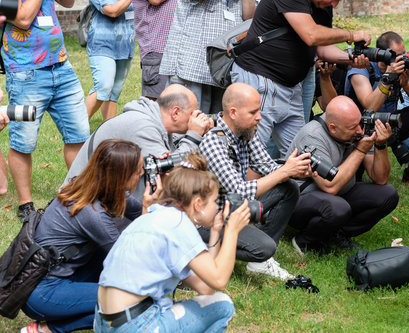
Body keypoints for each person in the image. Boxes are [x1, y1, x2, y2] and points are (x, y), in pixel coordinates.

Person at [94, 152, 251, 333]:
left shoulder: (158, 215)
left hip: (105, 323)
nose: (218, 206)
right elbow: (219, 280)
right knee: (222, 305)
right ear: (197, 204)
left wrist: (216, 231)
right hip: (135, 325)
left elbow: (205, 286)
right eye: (215, 201)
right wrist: (232, 231)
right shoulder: (179, 225)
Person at [0, 0, 90, 219]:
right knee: (23, 141)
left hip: (62, 67)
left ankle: (78, 194)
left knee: (78, 134)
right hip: (26, 73)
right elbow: (23, 18)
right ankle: (26, 206)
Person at [21, 139, 159, 333]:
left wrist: (161, 191)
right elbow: (130, 259)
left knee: (113, 266)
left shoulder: (97, 187)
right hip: (42, 293)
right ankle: (51, 328)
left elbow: (142, 215)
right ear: (120, 176)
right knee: (137, 300)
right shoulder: (92, 213)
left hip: (64, 274)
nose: (143, 173)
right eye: (138, 171)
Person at [230, 0, 370, 155]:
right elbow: (311, 35)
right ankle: (243, 185)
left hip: (291, 88)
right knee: (252, 153)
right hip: (261, 80)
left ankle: (290, 184)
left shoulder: (322, 5)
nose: (335, 5)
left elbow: (320, 48)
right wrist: (351, 35)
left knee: (301, 154)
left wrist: (350, 58)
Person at [199, 83, 312, 279]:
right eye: (253, 112)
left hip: (230, 207)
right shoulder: (213, 141)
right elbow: (240, 191)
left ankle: (259, 259)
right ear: (233, 112)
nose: (259, 117)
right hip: (206, 221)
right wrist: (284, 171)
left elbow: (267, 166)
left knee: (288, 187)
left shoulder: (245, 131)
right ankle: (202, 250)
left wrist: (296, 170)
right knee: (264, 248)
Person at [287, 96, 398, 254]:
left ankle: (336, 235)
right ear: (333, 128)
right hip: (300, 199)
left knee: (387, 194)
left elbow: (380, 178)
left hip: (339, 193)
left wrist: (380, 144)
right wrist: (360, 151)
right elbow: (330, 186)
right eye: (353, 127)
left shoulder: (354, 129)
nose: (360, 131)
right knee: (338, 207)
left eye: (360, 123)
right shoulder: (312, 136)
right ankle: (305, 241)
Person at [64, 84, 213, 200]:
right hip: (82, 205)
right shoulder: (143, 126)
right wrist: (193, 135)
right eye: (193, 113)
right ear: (175, 112)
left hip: (100, 200)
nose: (195, 118)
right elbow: (174, 174)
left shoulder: (152, 120)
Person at [159, 0, 256, 113]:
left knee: (215, 127)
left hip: (221, 68)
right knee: (186, 124)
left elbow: (249, 17)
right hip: (192, 67)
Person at [346, 31, 409, 191]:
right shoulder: (362, 68)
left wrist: (406, 84)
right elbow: (370, 106)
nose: (402, 58)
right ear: (383, 54)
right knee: (361, 178)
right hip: (362, 128)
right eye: (397, 55)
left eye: (404, 53)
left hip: (391, 122)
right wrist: (388, 77)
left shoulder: (401, 67)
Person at [269, 0, 328, 124]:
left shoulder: (315, 0)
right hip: (280, 66)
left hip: (306, 67)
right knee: (277, 122)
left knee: (299, 121)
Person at [85, 0, 135, 120]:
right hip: (103, 45)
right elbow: (112, 11)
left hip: (125, 46)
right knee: (103, 87)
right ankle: (78, 126)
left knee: (114, 92)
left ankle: (108, 130)